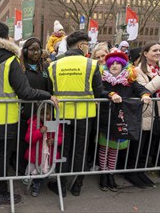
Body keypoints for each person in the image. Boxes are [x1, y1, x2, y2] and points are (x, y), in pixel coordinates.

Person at [0, 21, 58, 205]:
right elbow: (26, 92)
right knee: (2, 156)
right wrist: (47, 95)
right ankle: (1, 192)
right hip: (6, 118)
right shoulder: (10, 60)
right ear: (5, 38)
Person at [47, 31, 103, 197]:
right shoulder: (91, 64)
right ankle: (77, 185)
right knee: (81, 150)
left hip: (62, 115)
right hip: (85, 116)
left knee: (63, 150)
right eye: (87, 44)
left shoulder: (54, 65)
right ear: (81, 45)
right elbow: (98, 91)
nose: (88, 47)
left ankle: (61, 187)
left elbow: (50, 91)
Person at [98, 50, 151, 192]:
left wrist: (145, 94)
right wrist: (110, 94)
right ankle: (103, 175)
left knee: (114, 149)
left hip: (121, 120)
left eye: (117, 63)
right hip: (106, 119)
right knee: (104, 147)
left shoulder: (129, 80)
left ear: (123, 65)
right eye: (111, 63)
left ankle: (110, 174)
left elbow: (140, 88)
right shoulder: (103, 79)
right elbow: (99, 90)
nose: (114, 65)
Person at [124, 41, 160, 188]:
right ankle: (132, 173)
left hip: (158, 113)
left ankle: (141, 171)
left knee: (148, 147)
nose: (158, 53)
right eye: (154, 50)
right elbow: (144, 91)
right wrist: (159, 76)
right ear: (145, 53)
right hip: (144, 113)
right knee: (138, 146)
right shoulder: (137, 71)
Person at [17, 37, 50, 175]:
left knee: (41, 143)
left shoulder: (46, 67)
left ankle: (39, 169)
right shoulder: (20, 68)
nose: (36, 53)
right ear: (25, 51)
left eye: (38, 49)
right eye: (32, 50)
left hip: (42, 113)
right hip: (26, 113)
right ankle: (21, 169)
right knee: (25, 143)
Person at [24, 105, 63, 197]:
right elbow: (28, 138)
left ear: (52, 114)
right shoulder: (34, 123)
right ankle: (36, 185)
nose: (45, 116)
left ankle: (41, 181)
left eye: (47, 114)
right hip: (36, 156)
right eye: (42, 114)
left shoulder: (55, 123)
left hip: (48, 156)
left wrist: (54, 141)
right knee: (36, 171)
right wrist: (39, 132)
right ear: (38, 114)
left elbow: (61, 136)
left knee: (47, 171)